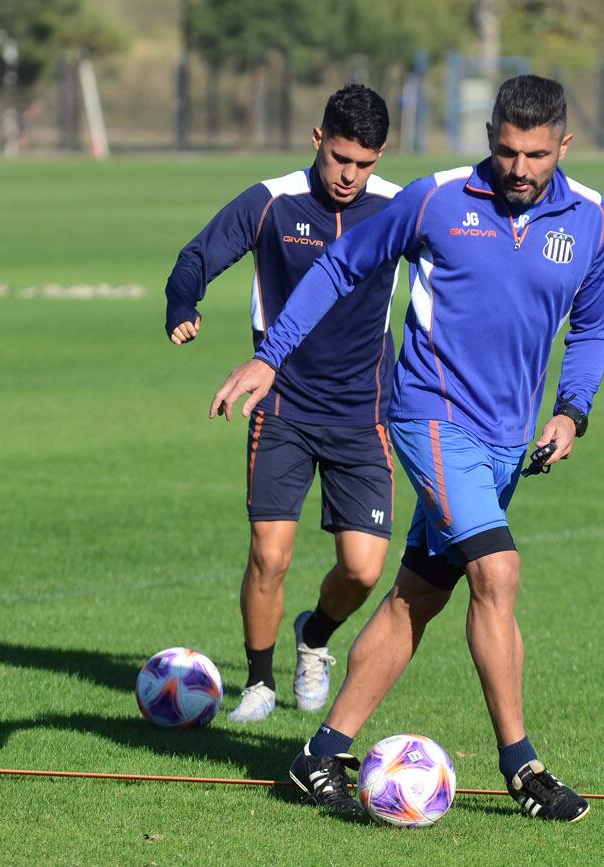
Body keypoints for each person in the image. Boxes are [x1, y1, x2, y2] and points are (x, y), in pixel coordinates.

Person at [209, 75, 604, 821]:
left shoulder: (593, 219)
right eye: (504, 151)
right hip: (430, 418)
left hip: (505, 441)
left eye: (534, 154)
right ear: (489, 136)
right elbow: (340, 265)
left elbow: (593, 325)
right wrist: (272, 354)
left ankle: (316, 754)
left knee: (416, 598)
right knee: (497, 571)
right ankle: (522, 765)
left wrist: (572, 411)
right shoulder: (437, 198)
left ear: (564, 144)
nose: (518, 169)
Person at [165, 85, 402, 723]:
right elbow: (196, 256)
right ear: (317, 139)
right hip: (283, 407)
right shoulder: (271, 202)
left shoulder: (398, 208)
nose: (350, 175)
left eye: (366, 162)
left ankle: (315, 636)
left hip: (363, 411)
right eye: (341, 158)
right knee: (270, 554)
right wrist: (183, 302)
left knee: (361, 571)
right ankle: (260, 683)